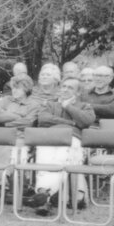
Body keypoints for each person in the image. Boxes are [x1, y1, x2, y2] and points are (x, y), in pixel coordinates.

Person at [26, 76, 95, 216]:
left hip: (72, 139)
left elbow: (86, 121)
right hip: (50, 138)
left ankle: (45, 194)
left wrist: (67, 106)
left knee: (62, 158)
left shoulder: (84, 106)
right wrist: (71, 123)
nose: (65, 89)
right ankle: (47, 195)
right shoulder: (50, 104)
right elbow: (43, 119)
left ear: (78, 93)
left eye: (70, 88)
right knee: (45, 157)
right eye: (63, 86)